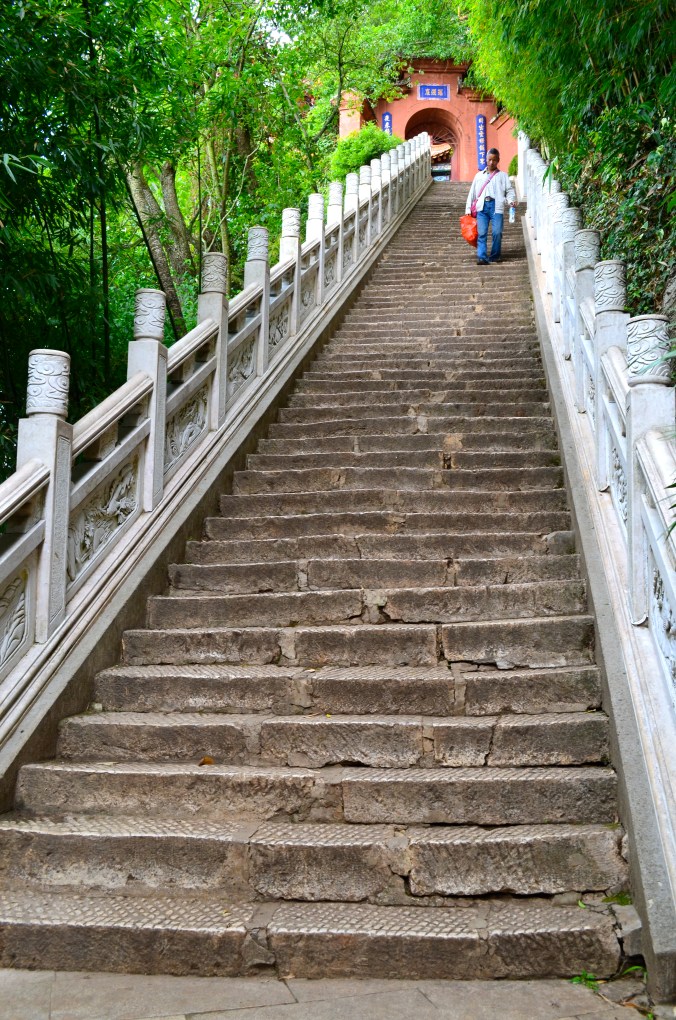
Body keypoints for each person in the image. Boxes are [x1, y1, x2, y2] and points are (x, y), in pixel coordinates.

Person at [465, 148, 517, 265]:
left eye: (494, 160)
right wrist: (468, 208)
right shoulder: (478, 176)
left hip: (496, 206)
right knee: (482, 232)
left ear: (498, 160)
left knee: (497, 232)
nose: (491, 162)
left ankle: (495, 255)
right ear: (486, 160)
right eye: (489, 160)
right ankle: (482, 257)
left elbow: (509, 191)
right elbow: (472, 193)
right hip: (482, 207)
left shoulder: (503, 176)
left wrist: (511, 201)